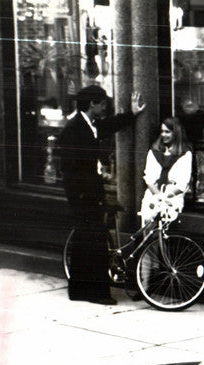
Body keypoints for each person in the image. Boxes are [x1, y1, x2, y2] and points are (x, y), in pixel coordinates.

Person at [59, 85, 145, 304]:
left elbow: (107, 126)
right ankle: (97, 294)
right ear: (92, 105)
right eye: (102, 103)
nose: (105, 107)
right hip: (84, 197)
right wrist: (78, 199)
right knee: (96, 243)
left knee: (85, 241)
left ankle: (79, 290)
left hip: (88, 195)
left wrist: (131, 114)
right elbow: (68, 169)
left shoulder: (88, 124)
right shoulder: (74, 129)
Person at [140, 117, 193, 226]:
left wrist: (165, 197)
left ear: (176, 133)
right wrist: (158, 197)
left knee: (166, 234)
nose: (163, 134)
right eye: (162, 131)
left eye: (167, 132)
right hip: (153, 197)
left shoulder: (185, 154)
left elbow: (182, 183)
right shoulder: (154, 151)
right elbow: (149, 178)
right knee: (150, 233)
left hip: (172, 199)